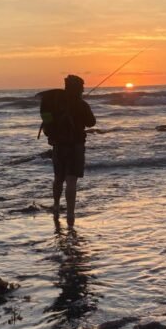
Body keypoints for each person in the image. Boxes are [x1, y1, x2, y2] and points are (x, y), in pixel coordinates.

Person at [51, 74, 96, 226]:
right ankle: (70, 213)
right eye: (82, 87)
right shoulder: (81, 104)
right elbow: (91, 123)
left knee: (58, 178)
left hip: (58, 145)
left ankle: (56, 207)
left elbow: (48, 122)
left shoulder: (56, 103)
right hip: (75, 146)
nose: (84, 89)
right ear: (77, 88)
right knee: (71, 180)